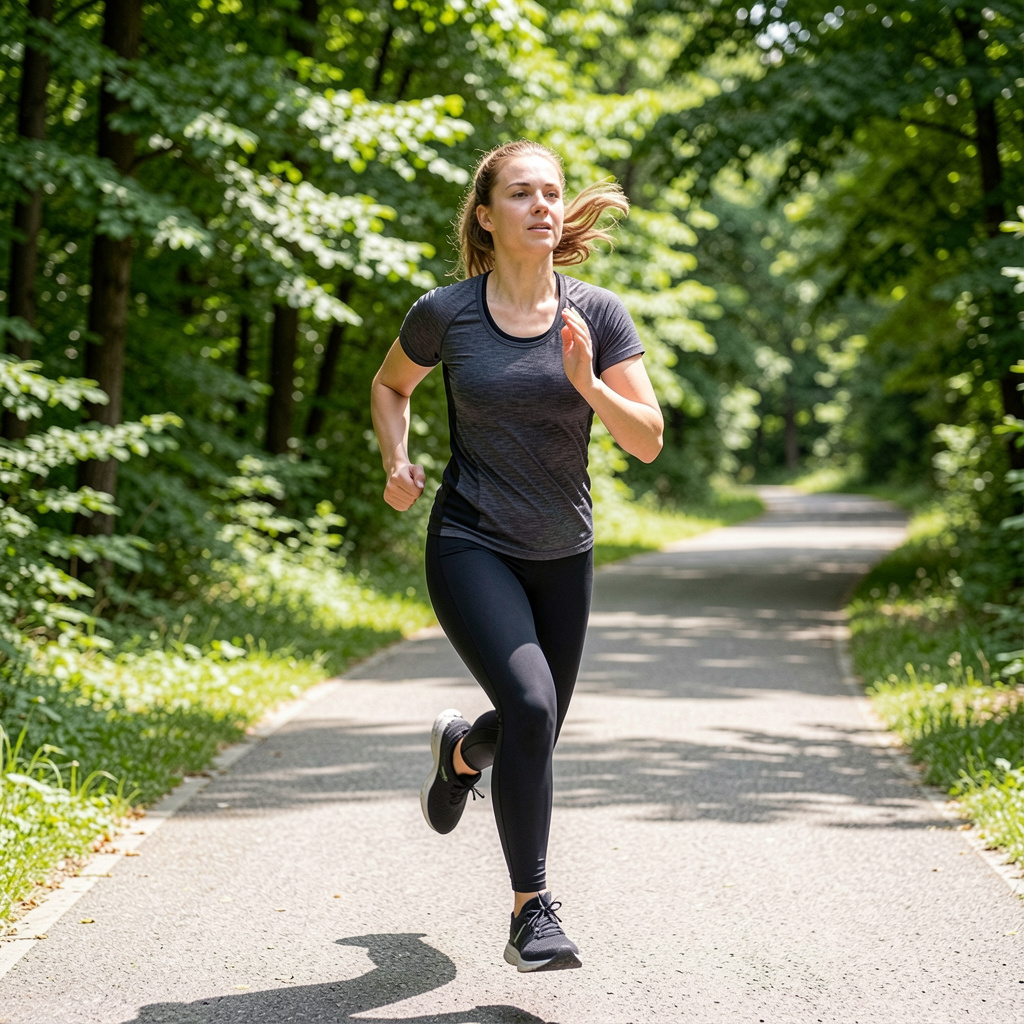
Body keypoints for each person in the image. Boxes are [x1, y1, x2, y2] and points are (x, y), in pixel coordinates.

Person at [370, 139, 663, 973]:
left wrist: (590, 384)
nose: (542, 205)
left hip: (561, 551)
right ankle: (532, 912)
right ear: (486, 215)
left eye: (553, 193)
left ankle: (462, 752)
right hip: (470, 539)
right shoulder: (447, 313)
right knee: (533, 709)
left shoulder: (598, 315)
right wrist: (397, 459)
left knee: (532, 726)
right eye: (523, 193)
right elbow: (391, 386)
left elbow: (647, 441)